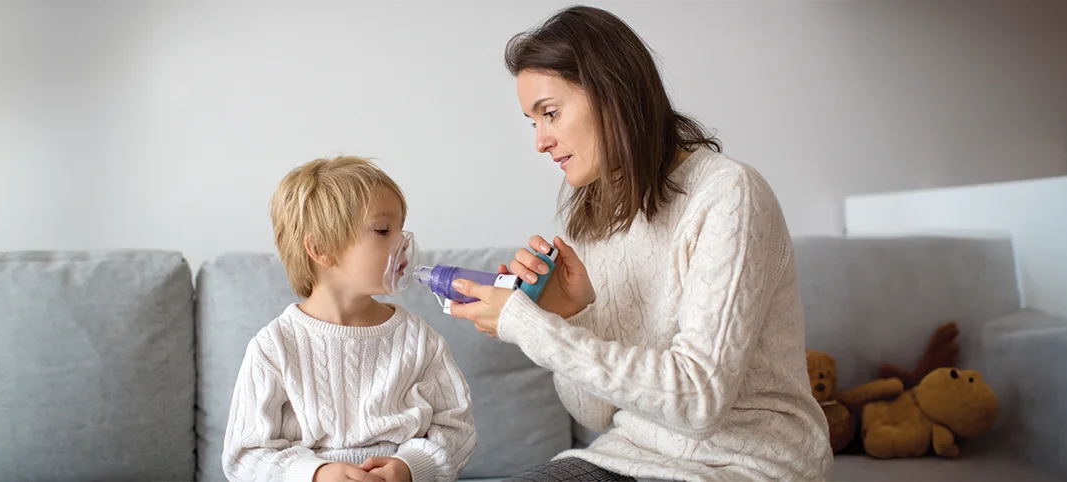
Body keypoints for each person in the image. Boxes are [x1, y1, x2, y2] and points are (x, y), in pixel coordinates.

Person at [447, 6, 832, 482]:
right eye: (534, 122)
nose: (540, 142)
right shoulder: (592, 217)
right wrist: (565, 314)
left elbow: (697, 401)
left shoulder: (730, 195)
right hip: (627, 456)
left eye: (550, 113)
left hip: (748, 464)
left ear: (612, 92)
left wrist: (526, 326)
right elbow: (593, 413)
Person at [222, 156, 477, 482]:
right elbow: (245, 455)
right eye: (383, 230)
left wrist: (411, 467)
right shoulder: (275, 347)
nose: (401, 244)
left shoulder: (419, 340)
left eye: (401, 229)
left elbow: (456, 427)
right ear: (321, 249)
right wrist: (316, 474)